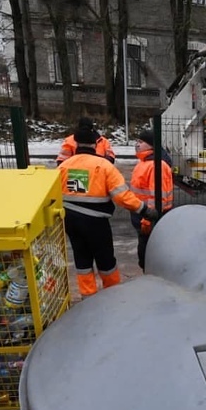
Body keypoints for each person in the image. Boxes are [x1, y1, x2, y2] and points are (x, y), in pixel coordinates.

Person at [58, 127, 158, 298]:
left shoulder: (65, 166)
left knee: (82, 260)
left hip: (71, 221)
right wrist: (144, 210)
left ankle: (88, 297)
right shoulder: (103, 166)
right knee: (106, 261)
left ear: (75, 143)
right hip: (95, 223)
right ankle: (112, 296)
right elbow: (121, 196)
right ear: (95, 144)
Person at [129, 128, 174, 271]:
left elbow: (156, 197)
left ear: (151, 145)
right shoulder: (143, 163)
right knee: (146, 254)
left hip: (150, 219)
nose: (137, 144)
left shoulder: (156, 166)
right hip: (143, 217)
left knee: (149, 255)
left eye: (141, 142)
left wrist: (147, 220)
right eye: (137, 141)